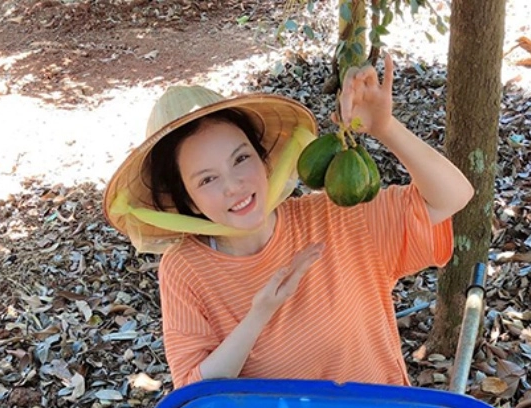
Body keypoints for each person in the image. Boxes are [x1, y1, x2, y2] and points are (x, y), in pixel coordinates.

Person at [104, 55, 474, 389]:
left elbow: (453, 196)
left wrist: (385, 128)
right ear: (186, 200)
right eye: (207, 179)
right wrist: (260, 312)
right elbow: (194, 390)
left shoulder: (336, 216)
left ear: (263, 159)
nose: (235, 187)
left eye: (240, 159)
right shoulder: (185, 270)